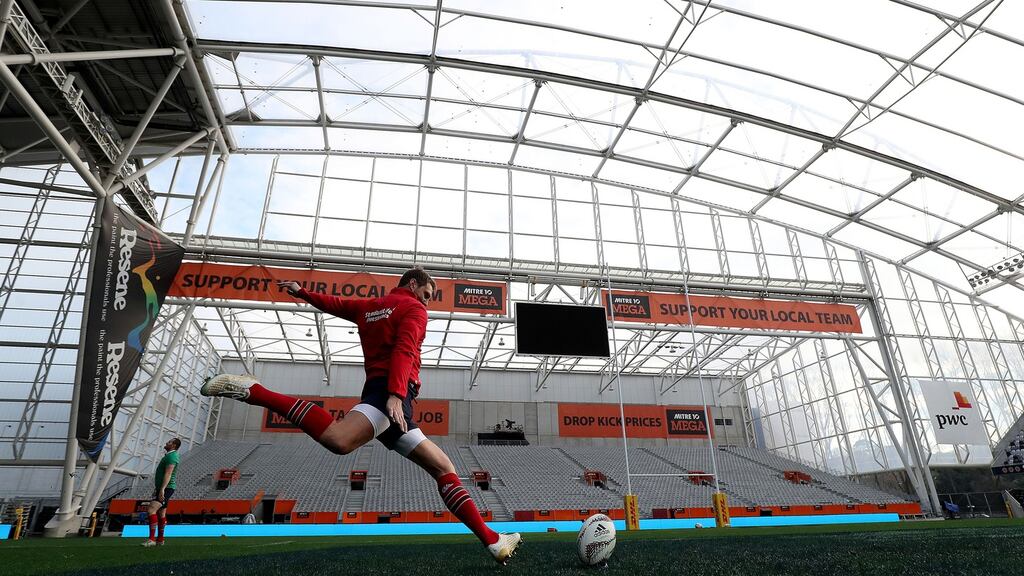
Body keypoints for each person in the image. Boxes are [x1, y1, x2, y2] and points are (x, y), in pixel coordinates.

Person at [201, 267, 521, 564]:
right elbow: (405, 348)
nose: (428, 301)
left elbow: (334, 303)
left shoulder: (370, 306)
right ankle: (255, 391)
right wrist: (396, 394)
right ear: (413, 284)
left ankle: (493, 540)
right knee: (339, 439)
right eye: (426, 294)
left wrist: (302, 292)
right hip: (390, 395)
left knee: (443, 467)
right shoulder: (413, 309)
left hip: (383, 393)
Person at [143, 437, 180, 547]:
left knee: (151, 509)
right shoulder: (169, 456)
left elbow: (168, 474)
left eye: (169, 442)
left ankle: (151, 539)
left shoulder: (172, 457)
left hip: (166, 488)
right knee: (161, 513)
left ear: (173, 445)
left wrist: (162, 489)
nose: (166, 442)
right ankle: (160, 540)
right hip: (164, 488)